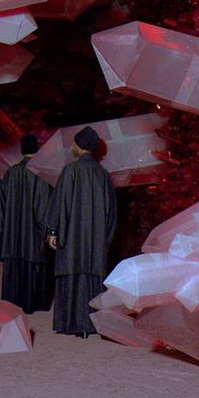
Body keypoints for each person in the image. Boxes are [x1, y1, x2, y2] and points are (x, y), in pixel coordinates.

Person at [44, 125, 117, 337]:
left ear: (79, 146)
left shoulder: (70, 170)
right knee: (91, 278)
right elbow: (111, 211)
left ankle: (72, 323)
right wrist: (106, 239)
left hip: (72, 239)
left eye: (74, 144)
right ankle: (91, 324)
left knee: (71, 275)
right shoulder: (103, 174)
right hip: (95, 241)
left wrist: (53, 231)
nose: (72, 147)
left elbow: (61, 203)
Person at [0, 134, 54, 314]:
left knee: (15, 264)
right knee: (34, 264)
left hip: (13, 231)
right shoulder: (39, 173)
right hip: (33, 232)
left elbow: (2, 203)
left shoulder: (11, 172)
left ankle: (13, 302)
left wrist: (3, 227)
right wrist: (48, 231)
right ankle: (32, 303)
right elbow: (43, 205)